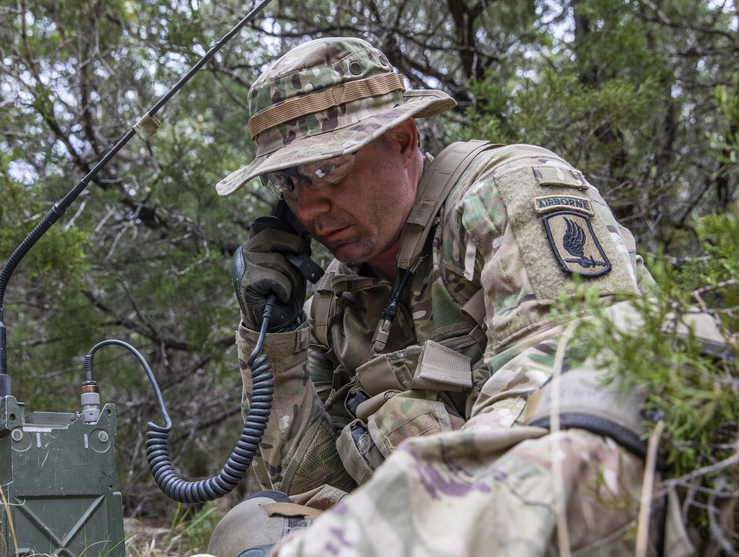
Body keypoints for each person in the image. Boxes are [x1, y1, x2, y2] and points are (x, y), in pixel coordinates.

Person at [206, 37, 694, 557]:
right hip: (443, 525)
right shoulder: (337, 303)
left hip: (580, 505)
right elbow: (303, 479)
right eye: (289, 183)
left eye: (329, 168)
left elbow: (575, 378)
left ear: (402, 139)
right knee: (250, 532)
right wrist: (276, 334)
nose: (311, 208)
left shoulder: (504, 196)